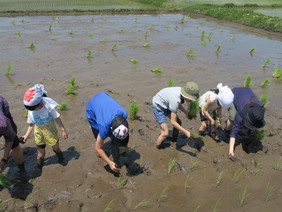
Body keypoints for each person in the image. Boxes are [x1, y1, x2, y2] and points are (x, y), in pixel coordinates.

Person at [22, 84, 68, 168]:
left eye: (34, 108)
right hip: (39, 134)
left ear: (39, 103)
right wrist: (26, 136)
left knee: (56, 149)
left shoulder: (48, 106)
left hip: (51, 131)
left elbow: (57, 118)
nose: (33, 110)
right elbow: (31, 125)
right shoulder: (31, 110)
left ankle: (62, 159)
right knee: (41, 153)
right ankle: (39, 166)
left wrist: (63, 130)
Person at [86, 92, 129, 173]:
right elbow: (98, 148)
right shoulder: (103, 127)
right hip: (92, 108)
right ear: (111, 128)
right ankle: (99, 154)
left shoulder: (124, 114)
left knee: (116, 137)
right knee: (98, 140)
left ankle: (119, 146)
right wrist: (109, 162)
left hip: (104, 96)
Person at [152, 81, 199, 149]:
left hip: (166, 103)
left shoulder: (181, 93)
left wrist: (186, 113)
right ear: (186, 95)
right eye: (191, 99)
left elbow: (177, 105)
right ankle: (159, 147)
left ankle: (174, 139)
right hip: (158, 106)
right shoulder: (175, 99)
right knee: (165, 133)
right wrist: (186, 132)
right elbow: (173, 122)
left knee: (179, 122)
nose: (192, 101)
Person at [225, 87, 265, 157]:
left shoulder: (261, 110)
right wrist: (231, 151)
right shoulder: (239, 115)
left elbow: (256, 119)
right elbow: (233, 134)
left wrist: (252, 128)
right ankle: (226, 130)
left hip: (246, 91)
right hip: (233, 95)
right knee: (232, 119)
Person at [0, 96, 25, 173]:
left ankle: (22, 169)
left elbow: (10, 137)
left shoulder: (3, 124)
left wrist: (4, 159)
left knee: (14, 142)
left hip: (3, 109)